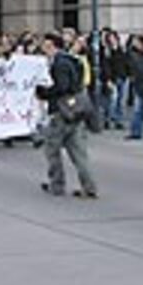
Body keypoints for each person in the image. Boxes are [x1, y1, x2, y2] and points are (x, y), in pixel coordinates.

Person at [35, 32, 98, 198]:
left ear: (51, 46)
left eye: (45, 46)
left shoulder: (59, 64)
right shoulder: (72, 60)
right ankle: (89, 186)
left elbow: (61, 87)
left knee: (51, 149)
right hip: (75, 110)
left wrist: (44, 93)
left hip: (61, 111)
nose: (43, 49)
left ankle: (57, 184)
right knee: (78, 152)